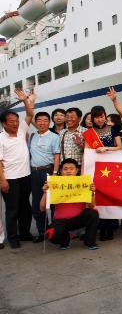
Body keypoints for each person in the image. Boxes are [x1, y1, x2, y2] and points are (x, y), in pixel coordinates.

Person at [0, 89, 35, 249]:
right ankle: (13, 237)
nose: (15, 123)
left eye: (16, 120)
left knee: (25, 207)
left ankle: (25, 233)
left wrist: (24, 101)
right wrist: (3, 181)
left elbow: (29, 114)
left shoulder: (21, 130)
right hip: (10, 179)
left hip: (25, 176)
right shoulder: (1, 138)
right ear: (4, 123)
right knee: (12, 209)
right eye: (11, 121)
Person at [40, 158, 99, 250]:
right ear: (61, 171)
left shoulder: (83, 183)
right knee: (50, 235)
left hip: (78, 218)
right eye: (65, 169)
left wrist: (91, 193)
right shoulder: (54, 184)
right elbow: (42, 208)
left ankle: (89, 242)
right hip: (61, 221)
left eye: (71, 169)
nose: (68, 171)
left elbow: (92, 206)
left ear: (77, 170)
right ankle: (65, 239)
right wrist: (45, 192)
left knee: (93, 213)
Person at [85, 105, 122, 241]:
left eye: (102, 117)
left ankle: (111, 228)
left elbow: (120, 147)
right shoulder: (89, 133)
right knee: (99, 198)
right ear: (93, 119)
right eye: (97, 117)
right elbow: (87, 152)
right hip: (97, 170)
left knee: (111, 197)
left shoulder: (113, 129)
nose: (100, 120)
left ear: (105, 116)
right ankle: (101, 228)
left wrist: (105, 148)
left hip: (112, 168)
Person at [29, 111, 61, 243]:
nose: (42, 123)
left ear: (49, 122)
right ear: (36, 122)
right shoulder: (32, 136)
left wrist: (54, 173)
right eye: (39, 120)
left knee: (53, 202)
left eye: (45, 120)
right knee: (37, 203)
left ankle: (54, 230)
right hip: (35, 172)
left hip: (48, 171)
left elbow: (57, 156)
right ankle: (42, 231)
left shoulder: (54, 136)